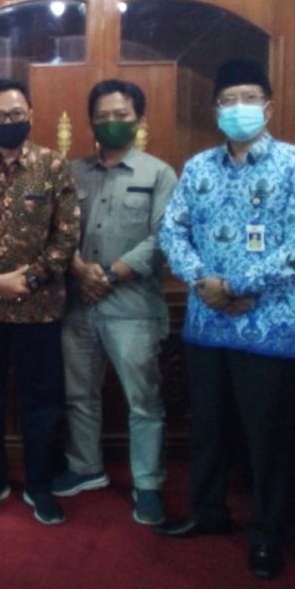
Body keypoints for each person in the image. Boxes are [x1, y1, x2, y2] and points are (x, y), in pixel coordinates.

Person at [157, 58, 295, 581]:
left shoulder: (291, 164)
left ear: (268, 106)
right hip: (206, 323)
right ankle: (209, 511)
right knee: (208, 427)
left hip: (270, 326)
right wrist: (203, 282)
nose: (240, 108)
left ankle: (269, 531)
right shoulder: (198, 168)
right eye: (229, 100)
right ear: (216, 110)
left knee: (268, 437)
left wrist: (238, 285)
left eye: (249, 98)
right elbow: (173, 231)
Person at [52, 80, 177, 526]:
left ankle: (148, 484)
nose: (111, 123)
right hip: (78, 304)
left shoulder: (159, 174)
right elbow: (56, 230)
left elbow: (164, 238)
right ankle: (86, 467)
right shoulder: (71, 172)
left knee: (143, 400)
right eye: (102, 116)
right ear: (90, 122)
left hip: (133, 308)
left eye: (121, 115)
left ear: (139, 119)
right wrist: (77, 267)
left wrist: (110, 274)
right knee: (78, 393)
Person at [0, 78, 79, 526]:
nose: (8, 121)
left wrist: (28, 278)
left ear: (31, 115)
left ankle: (40, 484)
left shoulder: (53, 166)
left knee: (42, 402)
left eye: (16, 114)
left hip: (39, 307)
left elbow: (67, 235)